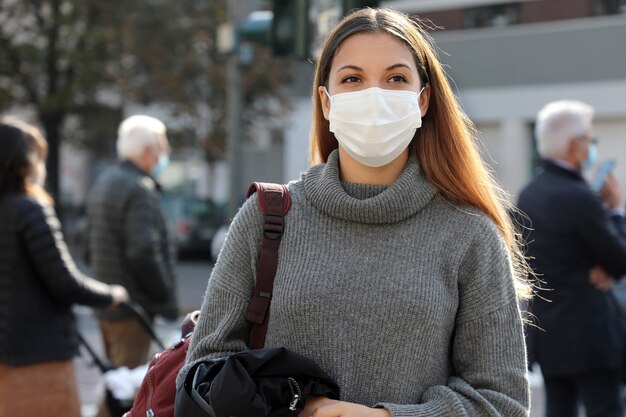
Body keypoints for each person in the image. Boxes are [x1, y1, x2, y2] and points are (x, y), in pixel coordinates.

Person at [179, 8, 531, 416]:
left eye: (396, 78)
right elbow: (204, 368)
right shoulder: (267, 217)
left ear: (423, 100)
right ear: (326, 102)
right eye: (352, 79)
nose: (375, 97)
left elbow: (503, 402)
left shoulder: (470, 235)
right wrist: (294, 405)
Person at [0, 118, 128, 417]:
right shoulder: (29, 210)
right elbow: (65, 282)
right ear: (24, 162)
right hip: (39, 355)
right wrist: (112, 294)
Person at [517, 100, 626, 417]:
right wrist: (616, 210)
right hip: (591, 336)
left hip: (549, 334)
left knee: (558, 409)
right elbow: (619, 259)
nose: (591, 147)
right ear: (576, 145)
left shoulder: (529, 194)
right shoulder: (579, 197)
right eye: (590, 140)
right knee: (604, 409)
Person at [86, 115, 179, 417]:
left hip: (107, 304)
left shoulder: (105, 181)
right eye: (162, 146)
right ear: (148, 150)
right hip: (133, 308)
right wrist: (164, 298)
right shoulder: (138, 188)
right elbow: (143, 250)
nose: (164, 154)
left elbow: (90, 243)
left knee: (116, 384)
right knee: (128, 392)